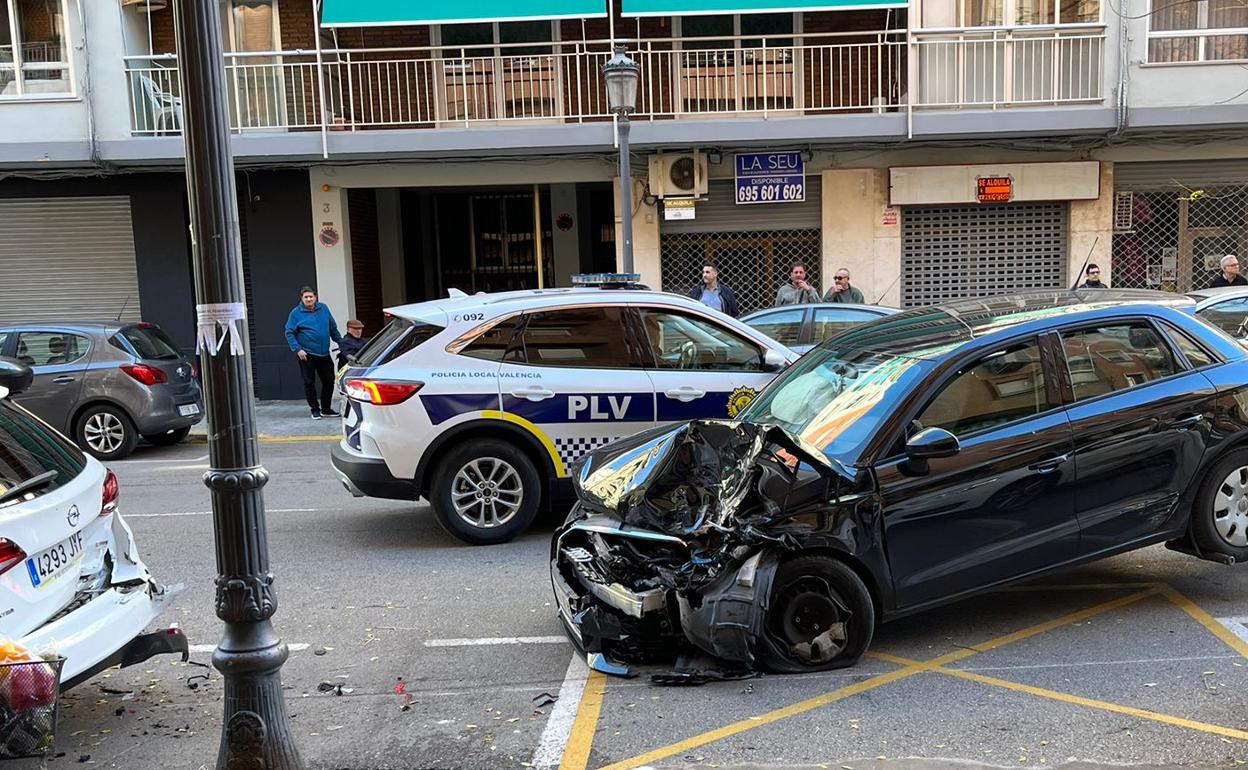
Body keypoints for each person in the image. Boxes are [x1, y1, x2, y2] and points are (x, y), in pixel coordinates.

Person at [284, 286, 342, 420]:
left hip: (324, 353)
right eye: (306, 297)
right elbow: (289, 332)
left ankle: (326, 409)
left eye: (311, 296)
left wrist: (341, 342)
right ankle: (315, 409)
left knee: (329, 380)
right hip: (307, 354)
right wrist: (298, 349)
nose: (309, 299)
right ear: (302, 299)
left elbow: (332, 327)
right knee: (309, 382)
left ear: (315, 297)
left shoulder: (323, 308)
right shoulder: (296, 313)